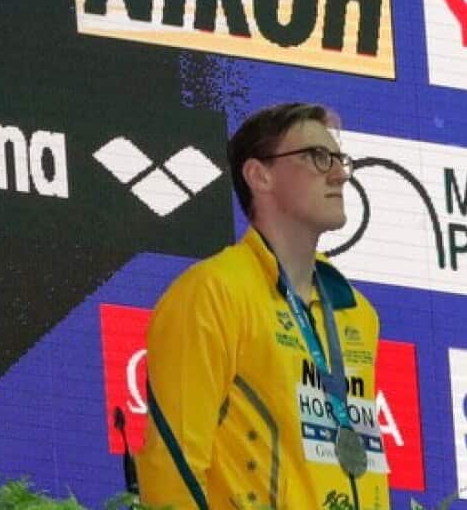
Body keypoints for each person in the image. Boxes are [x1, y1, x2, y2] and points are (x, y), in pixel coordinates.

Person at [138, 103, 390, 510]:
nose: (340, 173)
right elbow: (173, 469)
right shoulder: (213, 293)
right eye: (317, 157)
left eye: (340, 160)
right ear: (260, 175)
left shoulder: (356, 312)